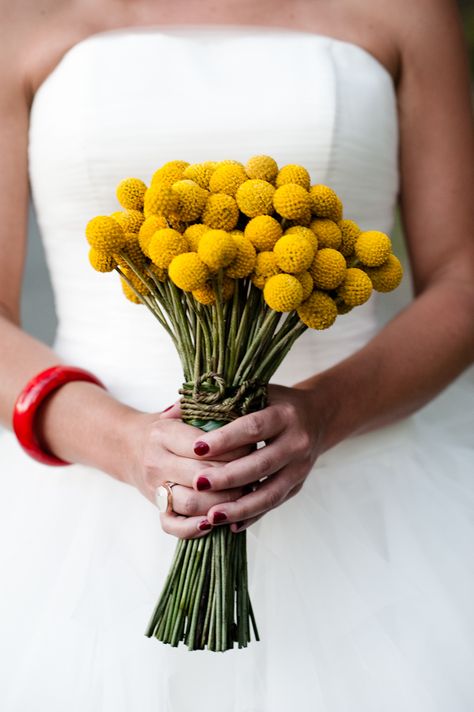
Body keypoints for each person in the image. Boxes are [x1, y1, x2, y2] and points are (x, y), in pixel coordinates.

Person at [0, 0, 473, 710]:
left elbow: (464, 279)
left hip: (371, 486)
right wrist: (125, 443)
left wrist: (327, 411)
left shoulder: (412, 11)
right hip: (77, 497)